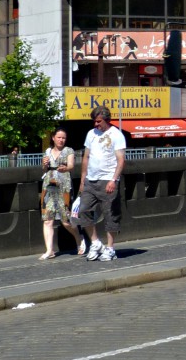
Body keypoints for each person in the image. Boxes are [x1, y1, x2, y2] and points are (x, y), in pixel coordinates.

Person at [77, 105, 126, 262]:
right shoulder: (91, 134)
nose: (96, 124)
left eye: (98, 121)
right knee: (83, 210)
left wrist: (113, 180)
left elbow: (121, 160)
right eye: (94, 121)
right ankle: (96, 243)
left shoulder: (116, 135)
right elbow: (86, 157)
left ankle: (110, 248)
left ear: (106, 120)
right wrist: (82, 179)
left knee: (110, 214)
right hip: (91, 180)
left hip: (107, 179)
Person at [39, 128, 84, 259]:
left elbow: (71, 165)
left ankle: (79, 238)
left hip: (63, 186)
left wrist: (66, 168)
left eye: (63, 138)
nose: (61, 140)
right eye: (59, 137)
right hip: (48, 185)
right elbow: (44, 169)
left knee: (66, 220)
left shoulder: (69, 150)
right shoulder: (48, 151)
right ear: (53, 138)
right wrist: (44, 164)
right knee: (47, 219)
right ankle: (49, 250)